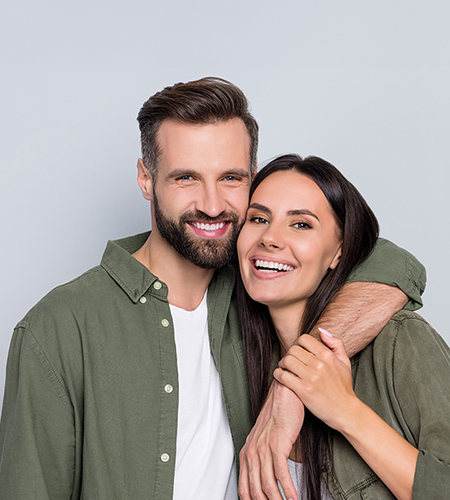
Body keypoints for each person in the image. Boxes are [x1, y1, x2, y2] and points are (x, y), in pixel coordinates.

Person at [0, 78, 425, 499]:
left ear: (253, 179)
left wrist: (290, 386)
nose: (212, 204)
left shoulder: (262, 287)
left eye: (231, 178)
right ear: (146, 179)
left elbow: (390, 261)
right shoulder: (58, 327)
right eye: (187, 178)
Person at [236, 154, 450, 500]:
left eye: (301, 224)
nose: (270, 238)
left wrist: (343, 409)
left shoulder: (399, 342)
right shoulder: (231, 353)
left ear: (339, 251)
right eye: (258, 218)